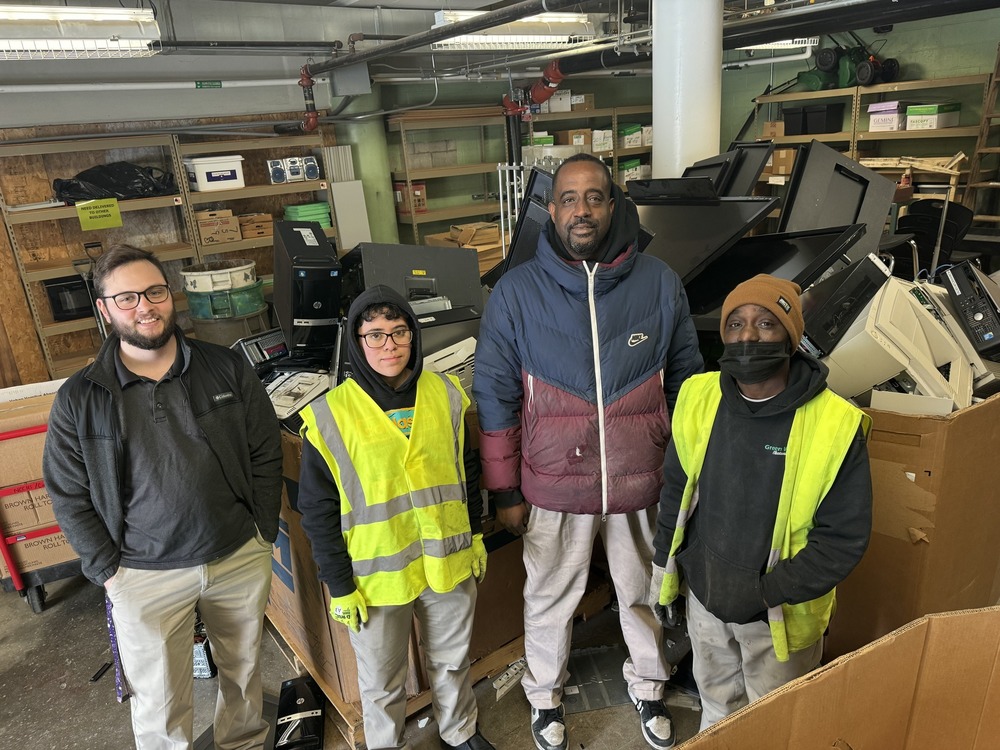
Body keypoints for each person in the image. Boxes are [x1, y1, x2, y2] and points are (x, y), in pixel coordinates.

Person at [473, 153, 704, 750]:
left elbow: (686, 382)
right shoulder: (516, 292)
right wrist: (504, 489)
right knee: (548, 597)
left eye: (595, 197)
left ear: (614, 205)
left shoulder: (659, 283)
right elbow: (495, 395)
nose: (582, 209)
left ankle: (649, 683)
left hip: (640, 477)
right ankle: (546, 696)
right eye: (569, 198)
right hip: (552, 482)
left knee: (645, 592)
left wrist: (683, 473)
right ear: (551, 210)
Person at [42, 244, 283, 750]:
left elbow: (265, 450)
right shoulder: (80, 398)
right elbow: (68, 492)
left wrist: (262, 530)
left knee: (243, 674)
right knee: (160, 701)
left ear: (170, 296)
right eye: (126, 298)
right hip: (142, 574)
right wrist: (108, 569)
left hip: (237, 556)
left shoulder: (225, 368)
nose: (145, 307)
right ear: (104, 309)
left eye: (154, 291)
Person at [651, 274, 873, 730]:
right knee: (716, 712)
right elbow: (676, 489)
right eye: (736, 323)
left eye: (766, 323)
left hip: (779, 619)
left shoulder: (835, 424)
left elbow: (842, 539)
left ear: (791, 338)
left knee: (775, 728)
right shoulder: (698, 397)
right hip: (706, 601)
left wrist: (763, 594)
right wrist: (667, 570)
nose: (748, 335)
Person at [296, 285, 494, 750]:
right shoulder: (331, 415)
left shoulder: (444, 392)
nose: (389, 345)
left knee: (451, 660)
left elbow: (466, 470)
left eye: (399, 332)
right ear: (357, 342)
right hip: (375, 578)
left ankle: (459, 730)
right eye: (375, 335)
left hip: (447, 561)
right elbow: (318, 510)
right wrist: (338, 584)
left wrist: (477, 534)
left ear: (414, 336)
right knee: (383, 680)